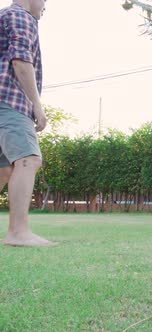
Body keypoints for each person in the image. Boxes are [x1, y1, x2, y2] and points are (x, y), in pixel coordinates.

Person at [0, 0, 53, 246]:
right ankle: (18, 232)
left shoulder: (4, 16)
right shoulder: (21, 17)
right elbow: (21, 62)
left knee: (4, 170)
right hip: (10, 100)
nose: (45, 6)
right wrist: (37, 105)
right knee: (27, 159)